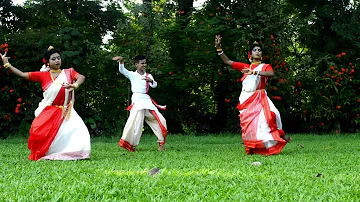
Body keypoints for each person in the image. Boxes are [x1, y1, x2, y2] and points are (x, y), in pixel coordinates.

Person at [0, 46, 91, 161]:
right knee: (39, 133)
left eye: (58, 58)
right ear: (47, 63)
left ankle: (74, 153)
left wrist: (75, 85)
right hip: (50, 111)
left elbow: (81, 77)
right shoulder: (43, 75)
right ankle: (52, 152)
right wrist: (7, 64)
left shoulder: (69, 72)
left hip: (67, 111)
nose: (57, 60)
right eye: (53, 59)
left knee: (77, 131)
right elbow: (23, 75)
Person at [214, 35, 290, 155]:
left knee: (273, 114)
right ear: (250, 54)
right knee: (251, 123)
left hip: (261, 96)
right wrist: (219, 49)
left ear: (261, 54)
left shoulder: (265, 66)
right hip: (247, 98)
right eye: (255, 50)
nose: (257, 52)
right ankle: (253, 146)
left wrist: (255, 72)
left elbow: (270, 73)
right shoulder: (245, 67)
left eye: (259, 50)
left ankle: (278, 136)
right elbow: (228, 61)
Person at [112, 55, 167, 152]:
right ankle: (131, 145)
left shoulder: (148, 75)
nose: (144, 65)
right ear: (136, 64)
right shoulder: (132, 74)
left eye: (145, 63)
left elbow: (154, 85)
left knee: (160, 120)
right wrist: (121, 61)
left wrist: (151, 81)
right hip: (137, 101)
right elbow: (122, 70)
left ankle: (161, 143)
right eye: (142, 63)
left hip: (147, 101)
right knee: (136, 124)